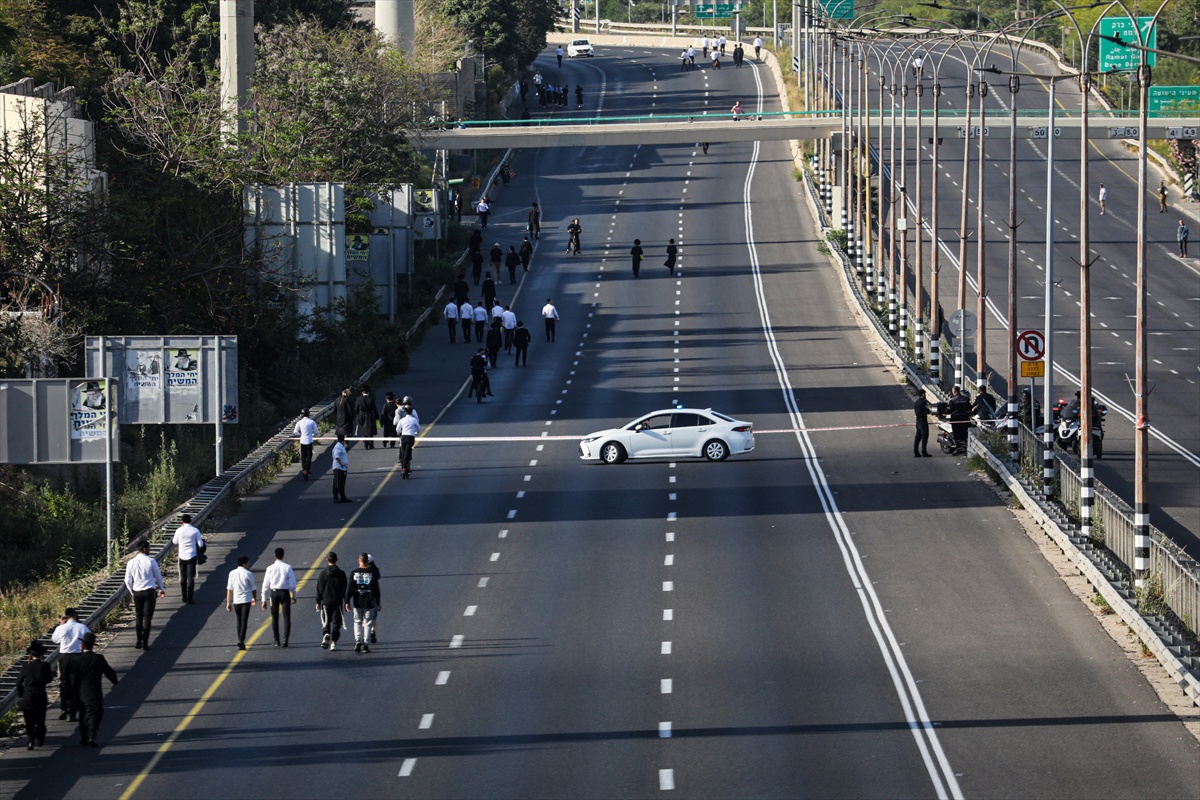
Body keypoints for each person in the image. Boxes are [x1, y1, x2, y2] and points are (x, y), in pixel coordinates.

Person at [75, 632, 118, 748]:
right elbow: (109, 672)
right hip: (94, 691)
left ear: (82, 645)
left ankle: (83, 736)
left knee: (83, 713)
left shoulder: (77, 660)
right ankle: (91, 735)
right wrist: (115, 682)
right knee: (95, 713)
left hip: (80, 691)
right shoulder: (98, 658)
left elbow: (72, 677)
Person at [124, 540, 165, 650]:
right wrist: (161, 589)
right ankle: (145, 642)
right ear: (145, 549)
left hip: (137, 592)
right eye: (149, 547)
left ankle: (138, 641)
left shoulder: (131, 563)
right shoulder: (151, 561)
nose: (150, 549)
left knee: (138, 616)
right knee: (147, 617)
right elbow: (158, 577)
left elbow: (127, 580)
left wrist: (132, 592)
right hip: (149, 591)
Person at [16, 640, 54, 750]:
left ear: (31, 654)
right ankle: (40, 736)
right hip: (40, 694)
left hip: (28, 695)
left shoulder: (26, 667)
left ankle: (30, 741)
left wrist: (21, 695)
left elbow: (18, 682)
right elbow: (49, 679)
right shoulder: (45, 665)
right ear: (42, 654)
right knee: (41, 718)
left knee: (29, 720)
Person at [51, 608, 88, 721]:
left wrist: (61, 624)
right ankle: (72, 711)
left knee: (64, 682)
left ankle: (64, 707)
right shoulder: (82, 627)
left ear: (66, 616)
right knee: (76, 683)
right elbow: (87, 640)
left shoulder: (61, 628)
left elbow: (55, 640)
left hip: (64, 657)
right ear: (76, 615)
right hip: (78, 656)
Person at [346, 553, 381, 653]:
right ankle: (366, 643)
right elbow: (376, 589)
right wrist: (378, 602)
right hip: (369, 602)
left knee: (357, 621)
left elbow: (350, 588)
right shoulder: (372, 574)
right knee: (368, 623)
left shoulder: (354, 573)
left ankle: (358, 640)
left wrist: (347, 601)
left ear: (359, 561)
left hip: (357, 602)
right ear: (367, 561)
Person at [262, 548, 297, 647]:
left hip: (274, 593)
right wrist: (294, 596)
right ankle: (285, 639)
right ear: (283, 555)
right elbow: (292, 584)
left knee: (275, 617)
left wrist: (263, 599)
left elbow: (265, 584)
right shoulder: (287, 567)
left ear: (274, 555)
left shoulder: (269, 568)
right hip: (284, 593)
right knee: (286, 616)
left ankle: (276, 640)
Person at [315, 552, 347, 651]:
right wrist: (346, 602)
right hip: (337, 602)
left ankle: (326, 633)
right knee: (336, 622)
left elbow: (319, 588)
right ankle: (334, 643)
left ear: (327, 560)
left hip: (326, 602)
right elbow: (344, 589)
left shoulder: (323, 573)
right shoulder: (341, 573)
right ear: (336, 560)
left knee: (326, 621)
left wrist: (318, 602)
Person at [225, 555, 257, 650]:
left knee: (239, 620)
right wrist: (254, 598)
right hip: (246, 600)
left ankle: (240, 638)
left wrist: (228, 603)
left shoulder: (232, 573)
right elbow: (253, 588)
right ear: (244, 563)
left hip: (236, 600)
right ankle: (241, 639)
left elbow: (229, 589)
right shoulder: (248, 574)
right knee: (244, 620)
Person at [172, 514, 205, 604]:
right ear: (190, 521)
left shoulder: (179, 530)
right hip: (192, 555)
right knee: (191, 577)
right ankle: (190, 598)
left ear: (182, 522)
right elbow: (200, 544)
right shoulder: (195, 530)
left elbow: (174, 541)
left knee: (183, 577)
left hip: (182, 556)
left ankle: (184, 596)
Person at [397, 400, 420, 478]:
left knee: (403, 452)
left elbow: (398, 429)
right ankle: (405, 467)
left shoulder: (402, 420)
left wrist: (400, 432)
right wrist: (415, 432)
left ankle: (403, 467)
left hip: (403, 437)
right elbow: (418, 430)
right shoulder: (414, 420)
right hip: (410, 437)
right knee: (408, 451)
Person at [294, 408, 319, 478]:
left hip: (302, 441)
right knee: (309, 456)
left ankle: (304, 469)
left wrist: (300, 434)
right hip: (309, 441)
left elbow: (295, 432)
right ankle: (307, 469)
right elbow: (316, 432)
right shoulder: (311, 422)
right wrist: (312, 435)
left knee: (303, 456)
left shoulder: (299, 422)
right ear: (308, 414)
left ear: (302, 415)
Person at [948, 386, 972, 453]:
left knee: (957, 435)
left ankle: (959, 449)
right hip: (965, 419)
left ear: (954, 391)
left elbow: (949, 410)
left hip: (956, 420)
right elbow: (969, 407)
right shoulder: (965, 399)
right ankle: (964, 448)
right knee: (964, 435)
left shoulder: (953, 400)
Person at [355, 386, 378, 450]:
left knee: (363, 430)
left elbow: (356, 409)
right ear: (368, 392)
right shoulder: (370, 399)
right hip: (369, 415)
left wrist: (357, 416)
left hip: (361, 415)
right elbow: (374, 409)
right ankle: (371, 444)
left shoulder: (358, 399)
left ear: (362, 392)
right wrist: (377, 416)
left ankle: (365, 444)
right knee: (369, 430)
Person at [331, 432, 350, 503]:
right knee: (337, 483)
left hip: (342, 468)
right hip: (338, 468)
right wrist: (341, 464)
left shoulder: (341, 446)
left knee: (342, 483)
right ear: (343, 440)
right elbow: (336, 456)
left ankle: (343, 497)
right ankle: (335, 498)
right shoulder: (338, 447)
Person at [913, 393, 933, 457]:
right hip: (923, 421)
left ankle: (916, 451)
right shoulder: (923, 402)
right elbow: (927, 411)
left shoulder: (916, 402)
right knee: (924, 436)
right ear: (923, 394)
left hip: (918, 421)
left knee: (918, 437)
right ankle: (924, 451)